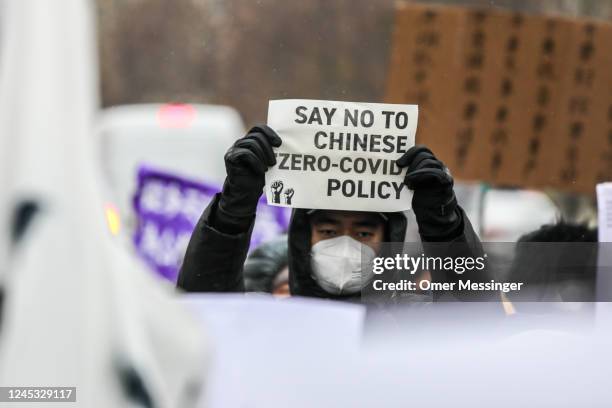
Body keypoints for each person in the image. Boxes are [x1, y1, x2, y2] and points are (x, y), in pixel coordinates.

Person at [177, 125, 486, 300]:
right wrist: (231, 215)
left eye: (363, 233)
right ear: (303, 237)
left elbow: (477, 328)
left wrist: (444, 227)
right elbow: (205, 307)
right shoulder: (268, 323)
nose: (344, 246)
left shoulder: (412, 324)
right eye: (328, 231)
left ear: (388, 238)